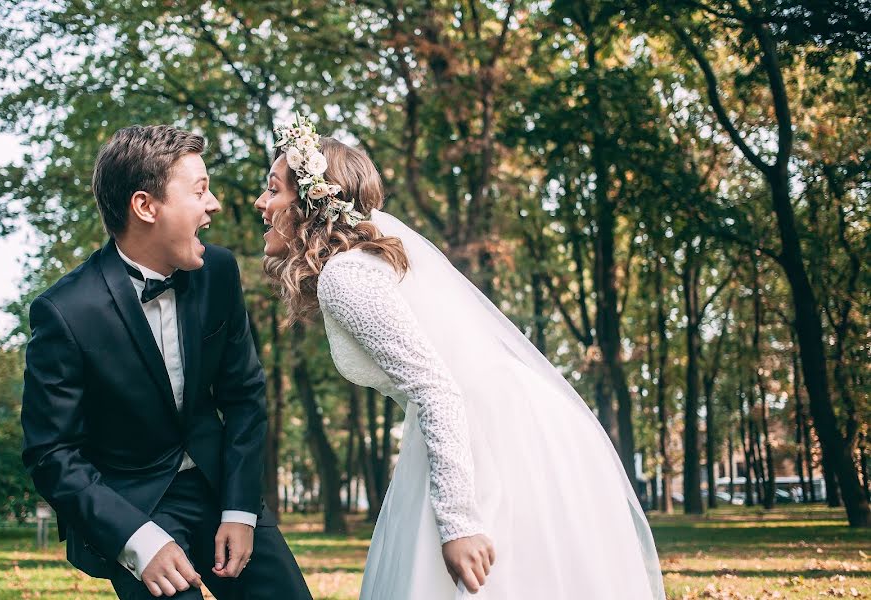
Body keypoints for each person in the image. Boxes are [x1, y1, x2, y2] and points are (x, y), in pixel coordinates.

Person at [254, 114, 667, 599]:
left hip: (492, 433)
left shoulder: (344, 277)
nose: (262, 202)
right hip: (485, 420)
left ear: (311, 203)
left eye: (273, 189)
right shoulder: (356, 267)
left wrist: (458, 522)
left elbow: (434, 387)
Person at [21, 125, 312, 600]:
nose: (214, 205)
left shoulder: (218, 272)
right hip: (132, 507)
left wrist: (240, 511)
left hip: (222, 488)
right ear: (145, 207)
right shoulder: (66, 311)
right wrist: (137, 541)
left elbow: (242, 396)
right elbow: (51, 452)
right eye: (200, 191)